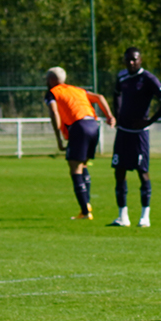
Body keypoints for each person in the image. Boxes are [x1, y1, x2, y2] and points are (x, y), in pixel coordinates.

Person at [108, 47, 161, 228]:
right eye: (128, 59)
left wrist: (149, 121)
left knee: (142, 172)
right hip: (123, 132)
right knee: (119, 171)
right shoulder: (122, 76)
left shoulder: (148, 79)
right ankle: (123, 216)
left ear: (140, 60)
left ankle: (145, 216)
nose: (131, 63)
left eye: (134, 59)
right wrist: (117, 114)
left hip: (139, 135)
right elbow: (116, 93)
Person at [44, 66, 115, 220]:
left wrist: (58, 138)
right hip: (93, 125)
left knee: (74, 169)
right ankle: (86, 205)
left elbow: (54, 113)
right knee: (82, 165)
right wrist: (109, 116)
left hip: (79, 126)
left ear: (51, 80)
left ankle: (85, 211)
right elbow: (100, 97)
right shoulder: (76, 89)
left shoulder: (52, 93)